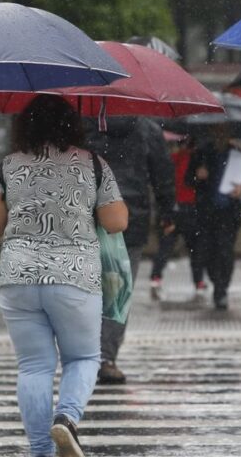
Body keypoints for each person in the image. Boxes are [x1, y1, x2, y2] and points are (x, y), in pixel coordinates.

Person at [0, 95, 128, 457]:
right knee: (83, 358)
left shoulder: (7, 166)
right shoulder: (92, 164)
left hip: (18, 276)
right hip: (74, 275)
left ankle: (40, 450)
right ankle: (66, 419)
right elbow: (116, 222)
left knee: (33, 366)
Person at [84, 116, 174, 384]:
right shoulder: (147, 127)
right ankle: (106, 356)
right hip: (130, 217)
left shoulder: (84, 123)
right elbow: (162, 172)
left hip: (88, 213)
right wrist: (167, 211)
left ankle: (82, 353)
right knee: (118, 291)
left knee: (85, 287)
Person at [187, 133, 241, 310]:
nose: (220, 136)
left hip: (229, 213)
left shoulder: (239, 155)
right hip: (206, 212)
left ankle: (221, 289)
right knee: (207, 251)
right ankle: (216, 279)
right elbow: (188, 180)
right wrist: (197, 176)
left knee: (225, 251)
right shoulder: (201, 154)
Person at [149, 137, 204, 301]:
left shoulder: (172, 160)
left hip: (174, 208)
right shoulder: (194, 160)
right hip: (189, 208)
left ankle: (156, 277)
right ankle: (198, 281)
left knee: (166, 246)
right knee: (194, 249)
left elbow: (163, 184)